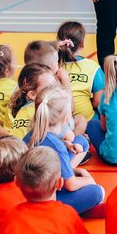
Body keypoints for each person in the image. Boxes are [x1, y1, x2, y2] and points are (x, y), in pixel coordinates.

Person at [24, 84, 104, 215]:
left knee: (81, 141)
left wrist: (66, 144)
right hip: (48, 199)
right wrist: (88, 179)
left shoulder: (32, 134)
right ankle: (79, 210)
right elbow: (71, 185)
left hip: (29, 192)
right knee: (98, 191)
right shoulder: (57, 146)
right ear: (67, 117)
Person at [56, 21, 106, 130]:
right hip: (87, 121)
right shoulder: (93, 67)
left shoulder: (53, 66)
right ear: (82, 43)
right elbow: (98, 101)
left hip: (58, 122)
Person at [9, 62, 63, 139]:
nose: (57, 90)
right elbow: (69, 136)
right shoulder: (42, 109)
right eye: (50, 88)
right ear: (32, 94)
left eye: (56, 84)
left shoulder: (24, 110)